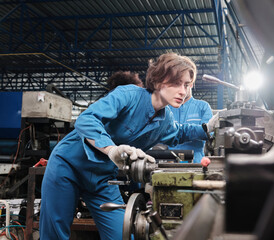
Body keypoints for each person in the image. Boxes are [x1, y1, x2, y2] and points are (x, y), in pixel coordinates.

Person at [39, 52, 218, 240]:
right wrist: (111, 150)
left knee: (123, 234)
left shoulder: (166, 120)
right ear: (158, 80)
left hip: (101, 179)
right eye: (177, 83)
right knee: (54, 235)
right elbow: (86, 119)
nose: (183, 91)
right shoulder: (128, 95)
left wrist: (209, 127)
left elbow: (181, 132)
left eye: (187, 85)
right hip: (69, 166)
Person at [168, 85, 213, 163]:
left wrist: (178, 132)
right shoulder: (168, 108)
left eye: (185, 85)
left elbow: (208, 133)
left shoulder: (203, 107)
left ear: (191, 83)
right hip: (170, 161)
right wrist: (197, 130)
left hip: (196, 162)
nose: (181, 90)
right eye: (177, 84)